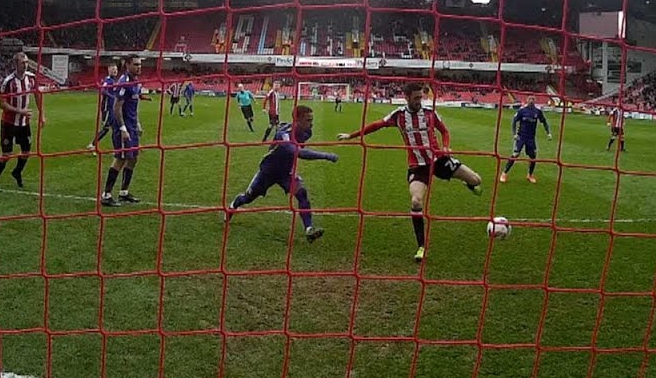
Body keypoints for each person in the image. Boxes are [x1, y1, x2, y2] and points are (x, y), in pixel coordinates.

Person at [337, 82, 483, 263]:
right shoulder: (399, 115)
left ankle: (468, 183)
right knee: (416, 201)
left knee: (477, 180)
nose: (419, 101)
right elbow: (376, 125)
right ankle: (421, 245)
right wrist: (351, 136)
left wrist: (446, 146)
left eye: (421, 97)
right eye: (415, 98)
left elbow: (444, 131)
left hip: (439, 160)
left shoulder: (430, 113)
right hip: (417, 166)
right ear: (406, 97)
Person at [226, 105, 334, 242]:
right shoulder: (283, 134)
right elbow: (298, 152)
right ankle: (233, 206)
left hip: (286, 173)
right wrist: (325, 155)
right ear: (297, 120)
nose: (311, 123)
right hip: (268, 172)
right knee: (248, 197)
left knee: (301, 193)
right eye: (308, 120)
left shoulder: (307, 132)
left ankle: (309, 229)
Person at [0, 51, 40, 191]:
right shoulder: (8, 81)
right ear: (16, 64)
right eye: (22, 63)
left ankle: (17, 172)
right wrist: (20, 111)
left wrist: (42, 113)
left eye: (26, 62)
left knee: (26, 151)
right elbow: (1, 104)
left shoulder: (31, 78)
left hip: (24, 123)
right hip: (9, 122)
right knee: (6, 154)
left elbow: (37, 94)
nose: (25, 65)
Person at [101, 55, 145, 206]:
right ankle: (106, 195)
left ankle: (124, 193)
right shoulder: (124, 81)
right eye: (136, 64)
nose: (139, 67)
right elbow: (116, 108)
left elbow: (134, 105)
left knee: (133, 158)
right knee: (120, 158)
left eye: (140, 64)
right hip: (123, 127)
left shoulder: (136, 82)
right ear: (127, 65)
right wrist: (123, 128)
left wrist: (137, 123)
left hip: (132, 126)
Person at [500, 95, 552, 184]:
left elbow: (544, 122)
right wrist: (514, 134)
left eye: (533, 99)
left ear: (535, 100)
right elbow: (514, 121)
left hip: (531, 138)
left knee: (533, 157)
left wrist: (548, 132)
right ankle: (504, 173)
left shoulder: (538, 112)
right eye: (530, 99)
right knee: (515, 154)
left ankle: (530, 175)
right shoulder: (522, 111)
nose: (531, 100)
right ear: (527, 100)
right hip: (521, 137)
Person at [87, 61, 121, 151]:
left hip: (113, 109)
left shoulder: (113, 81)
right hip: (108, 109)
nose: (115, 71)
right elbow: (102, 90)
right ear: (109, 70)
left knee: (116, 128)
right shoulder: (108, 80)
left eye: (116, 69)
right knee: (106, 129)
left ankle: (119, 148)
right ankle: (92, 144)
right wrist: (111, 96)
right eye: (113, 69)